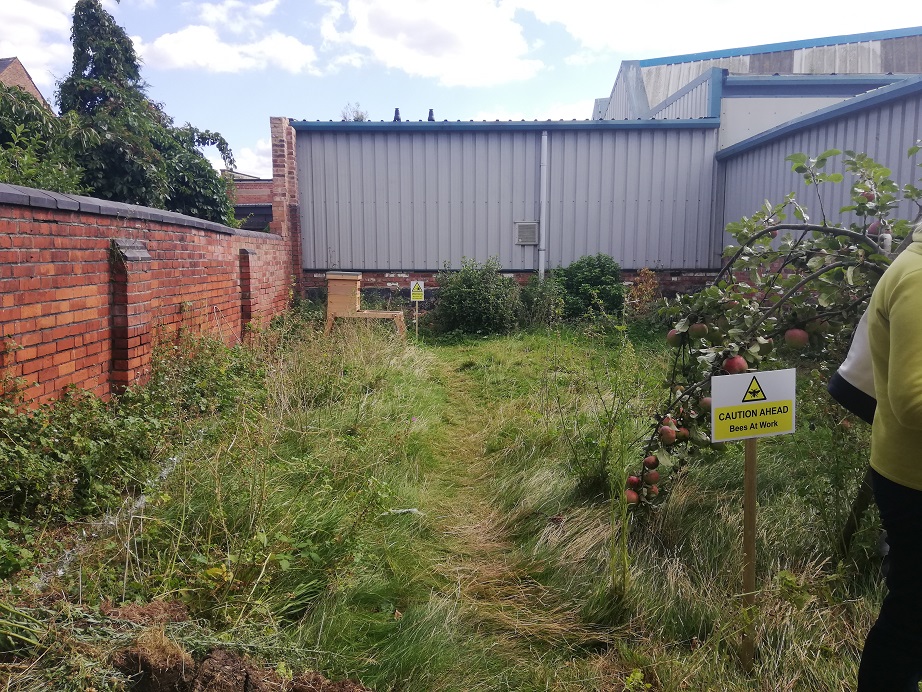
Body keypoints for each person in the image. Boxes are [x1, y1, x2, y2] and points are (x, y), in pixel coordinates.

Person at [857, 220, 922, 690]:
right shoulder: (918, 276)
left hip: (904, 471)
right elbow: (913, 399)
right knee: (912, 618)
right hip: (914, 479)